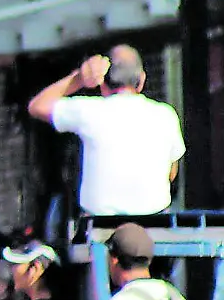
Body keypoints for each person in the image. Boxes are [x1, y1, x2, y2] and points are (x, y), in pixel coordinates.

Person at [26, 46, 185, 217]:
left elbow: (37, 106)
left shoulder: (88, 110)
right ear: (141, 80)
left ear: (102, 84)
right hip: (153, 225)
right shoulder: (166, 115)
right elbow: (171, 173)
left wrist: (79, 78)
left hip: (100, 227)